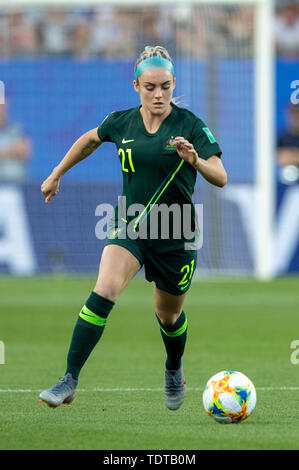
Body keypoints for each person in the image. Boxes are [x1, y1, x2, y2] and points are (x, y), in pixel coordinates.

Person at [39, 45, 227, 410]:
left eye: (166, 87)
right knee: (105, 289)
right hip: (131, 223)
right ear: (136, 86)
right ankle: (69, 378)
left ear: (174, 84)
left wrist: (195, 160)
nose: (159, 94)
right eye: (151, 87)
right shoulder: (121, 122)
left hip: (176, 232)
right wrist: (56, 174)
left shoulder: (189, 125)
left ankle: (174, 367)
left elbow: (220, 176)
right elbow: (90, 140)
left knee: (168, 315)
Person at [0, 100, 31, 183]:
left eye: (3, 108)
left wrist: (3, 153)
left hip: (15, 185)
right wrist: (13, 151)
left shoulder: (17, 130)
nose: (2, 111)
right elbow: (18, 150)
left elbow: (25, 152)